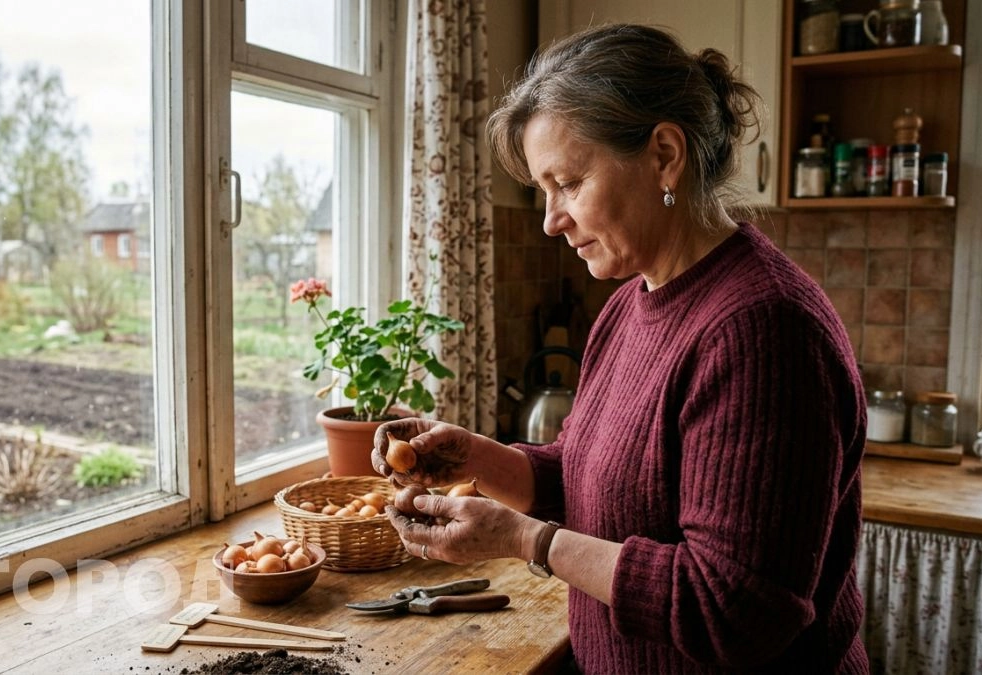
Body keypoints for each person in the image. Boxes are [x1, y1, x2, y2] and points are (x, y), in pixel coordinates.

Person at [371, 23, 868, 674]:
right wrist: (470, 454)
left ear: (664, 154)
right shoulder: (628, 305)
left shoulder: (763, 329)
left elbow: (735, 609)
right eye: (543, 192)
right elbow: (591, 479)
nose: (551, 219)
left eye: (568, 182)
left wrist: (526, 540)